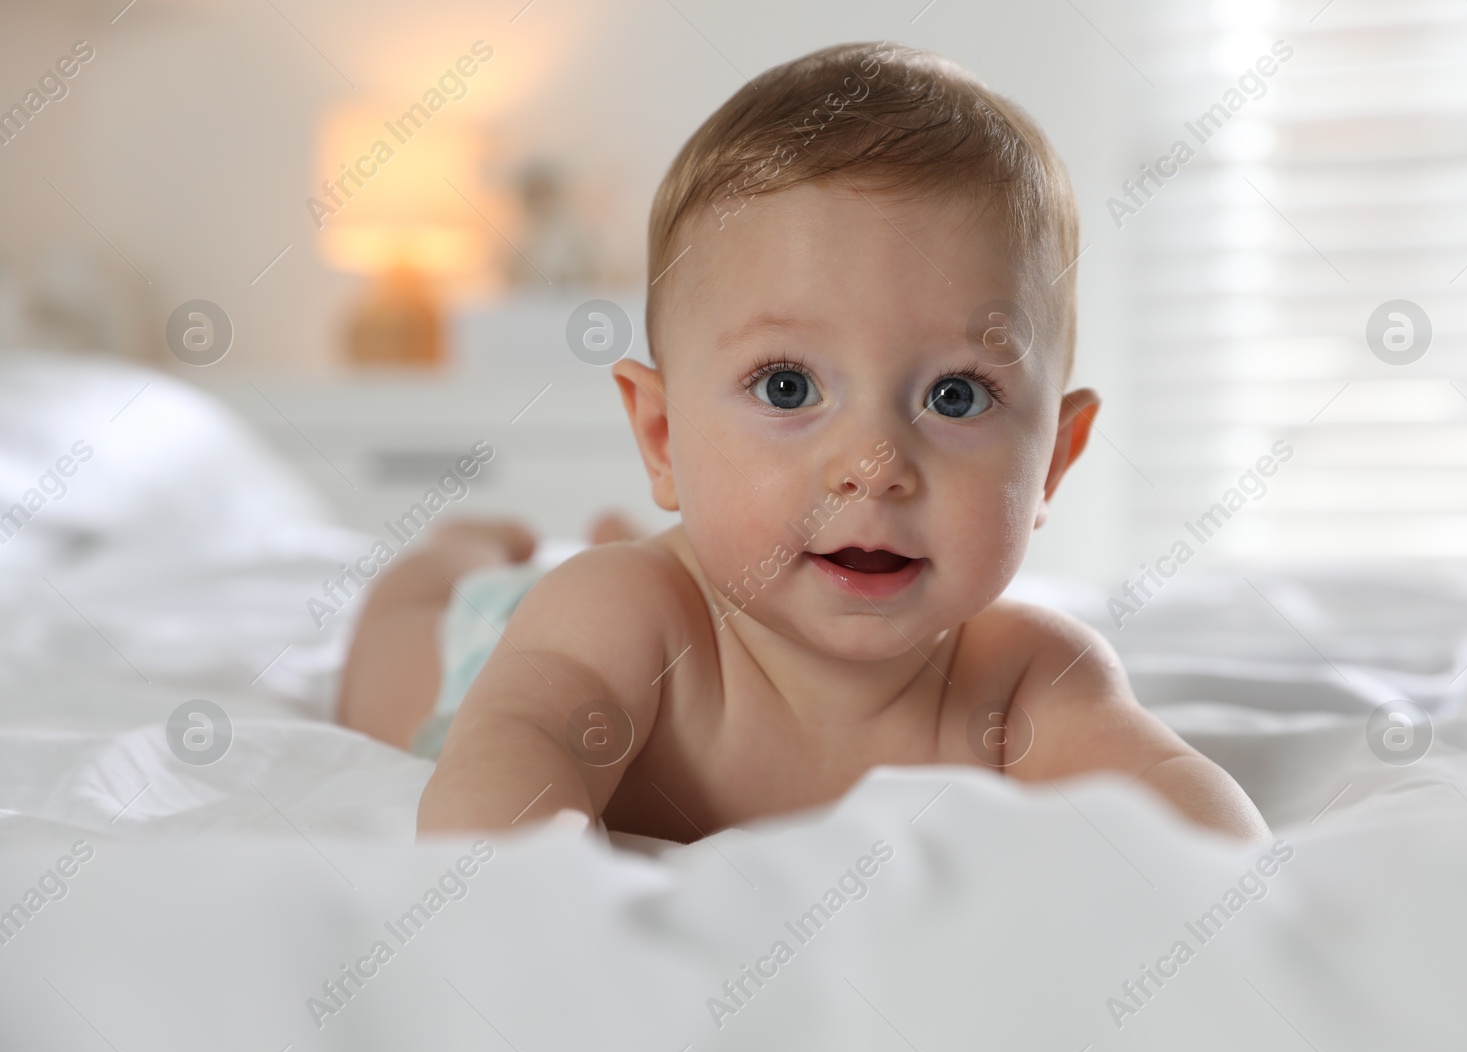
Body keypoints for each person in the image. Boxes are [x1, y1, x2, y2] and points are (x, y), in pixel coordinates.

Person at [341, 41, 1269, 843]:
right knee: (395, 653)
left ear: (1053, 462)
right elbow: (512, 767)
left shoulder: (1022, 679)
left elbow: (1187, 815)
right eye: (789, 387)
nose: (875, 467)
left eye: (955, 394)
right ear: (663, 435)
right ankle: (453, 548)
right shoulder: (624, 618)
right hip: (486, 649)